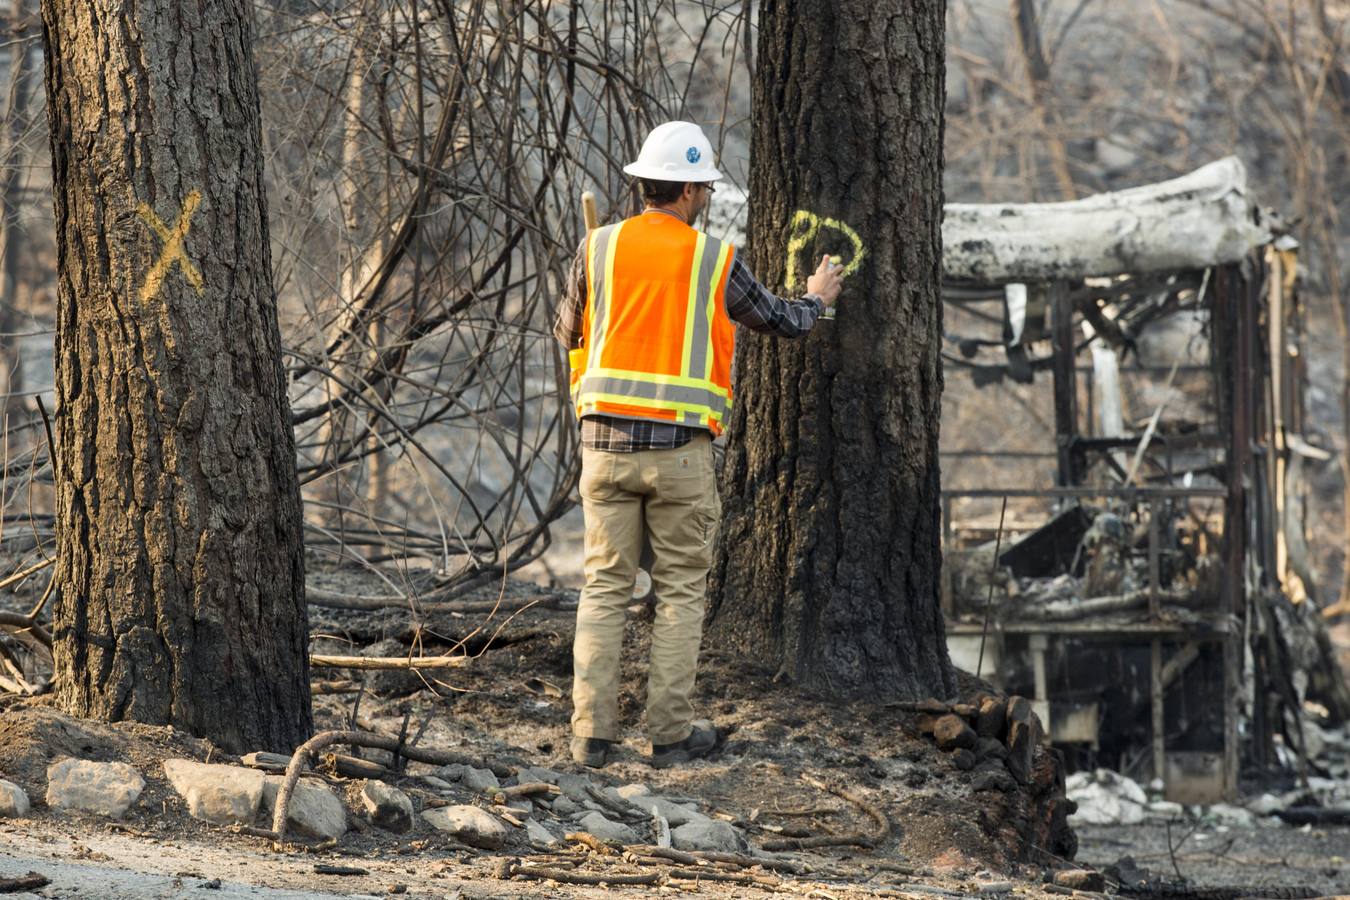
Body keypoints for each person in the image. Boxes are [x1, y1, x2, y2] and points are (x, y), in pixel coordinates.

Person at [553, 121, 844, 768]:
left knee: (603, 587)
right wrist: (818, 301)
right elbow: (780, 318)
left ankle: (589, 738)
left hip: (602, 445)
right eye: (705, 187)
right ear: (687, 188)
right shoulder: (712, 258)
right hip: (680, 453)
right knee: (681, 590)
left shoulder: (596, 248)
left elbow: (564, 329)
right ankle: (669, 736)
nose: (707, 197)